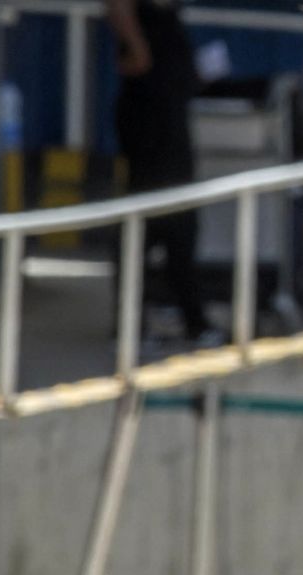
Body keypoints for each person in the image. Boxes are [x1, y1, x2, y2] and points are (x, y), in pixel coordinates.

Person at [105, 0, 215, 345]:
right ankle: (137, 323)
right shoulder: (141, 27)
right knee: (150, 220)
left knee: (178, 221)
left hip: (169, 108)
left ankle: (186, 316)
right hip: (151, 116)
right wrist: (136, 46)